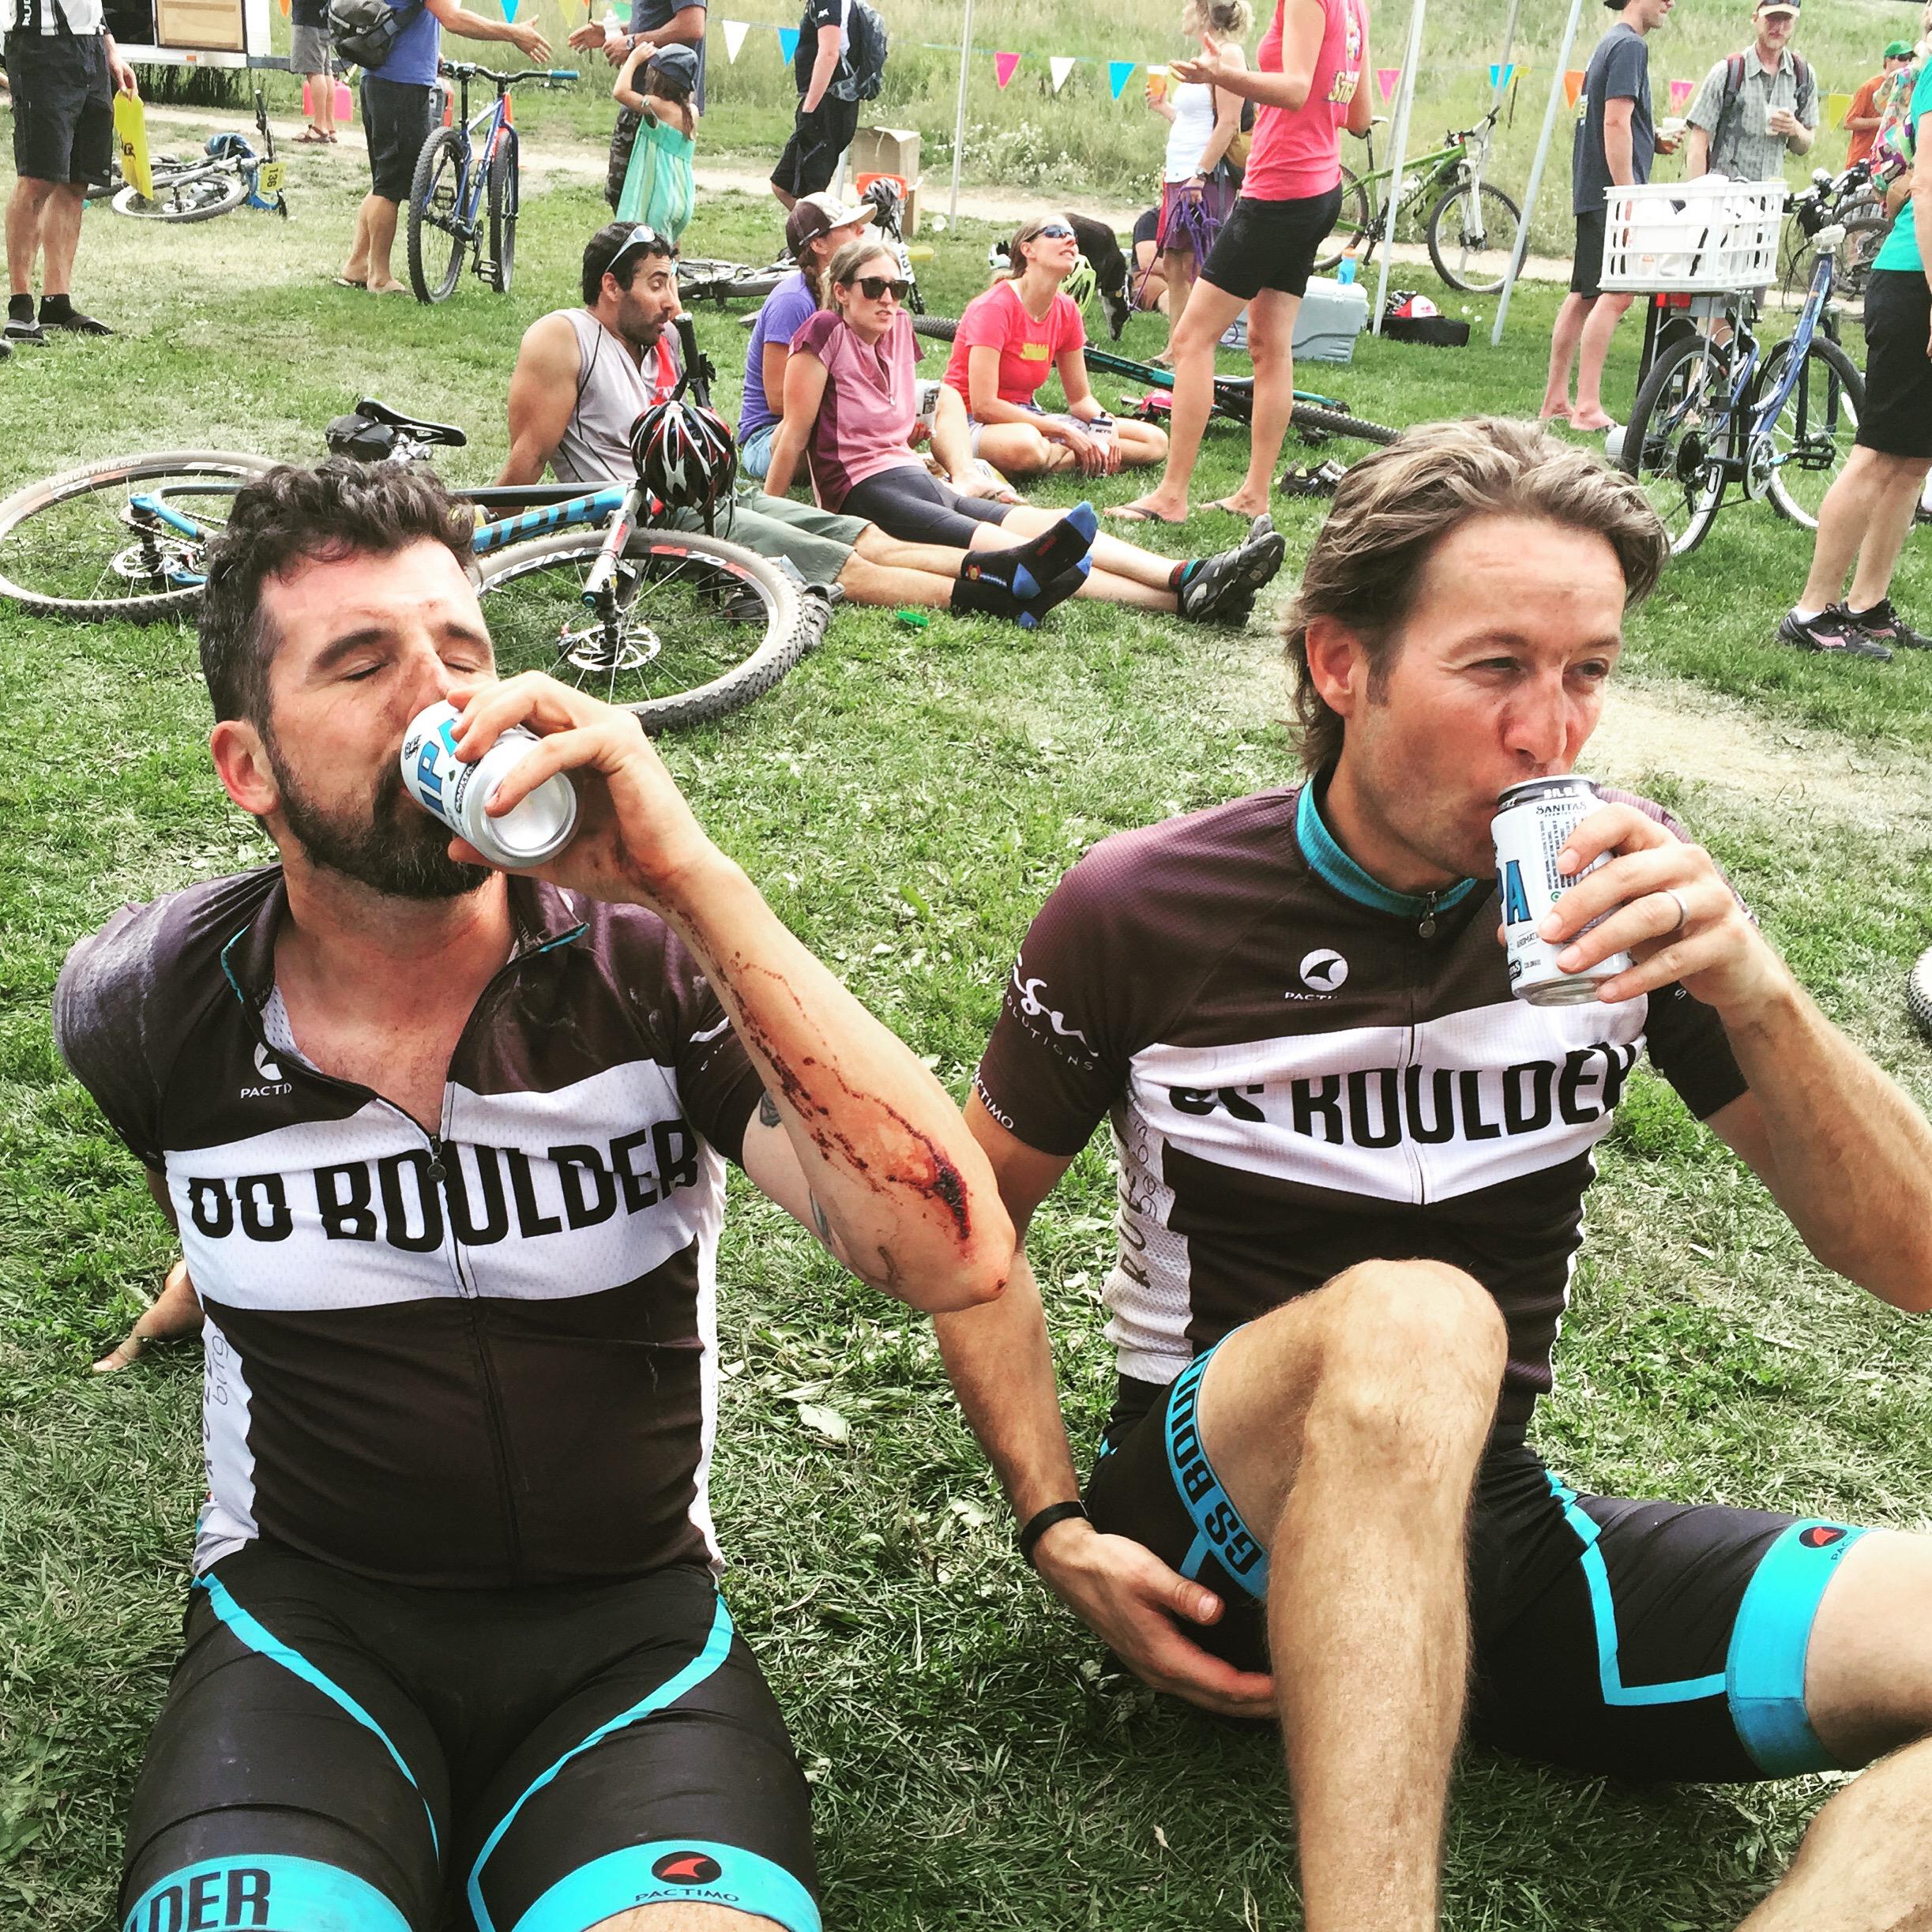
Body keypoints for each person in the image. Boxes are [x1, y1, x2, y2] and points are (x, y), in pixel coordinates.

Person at [933, 415, 1932, 1932]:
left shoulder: (1625, 898)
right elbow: (961, 1233)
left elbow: (1916, 1260)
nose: (1553, 735)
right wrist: (1053, 1519)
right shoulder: (1143, 907)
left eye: (1588, 671)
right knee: (1420, 1312)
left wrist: (1755, 989)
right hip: (1218, 1516)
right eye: (1497, 669)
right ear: (1342, 666)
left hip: (1486, 1527)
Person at [55, 456, 1012, 1932]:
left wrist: (687, 878)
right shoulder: (148, 1009)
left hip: (628, 1639)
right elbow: (241, 1201)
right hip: (302, 1624)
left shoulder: (648, 969)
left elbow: (947, 1252)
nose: (433, 698)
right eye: (362, 662)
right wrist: (199, 1292)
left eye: (463, 651)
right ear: (248, 767)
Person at [499, 224, 1105, 630]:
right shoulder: (564, 337)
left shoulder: (657, 345)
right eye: (657, 284)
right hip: (639, 517)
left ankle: (1012, 565)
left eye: (672, 282)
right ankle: (991, 593)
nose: (673, 301)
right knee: (835, 561)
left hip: (707, 499)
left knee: (859, 533)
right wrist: (487, 547)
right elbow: (526, 463)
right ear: (610, 286)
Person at [766, 235, 1289, 625]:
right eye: (874, 287)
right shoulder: (823, 332)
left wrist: (942, 466)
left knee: (1046, 523)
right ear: (841, 290)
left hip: (912, 478)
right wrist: (770, 513)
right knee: (1022, 550)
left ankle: (1185, 578)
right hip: (863, 492)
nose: (888, 298)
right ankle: (1186, 590)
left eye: (897, 287)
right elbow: (793, 434)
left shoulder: (899, 331)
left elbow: (904, 424)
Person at [1105, 0, 1370, 528]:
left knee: (1190, 340)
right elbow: (1359, 116)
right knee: (1269, 345)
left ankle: (1172, 496)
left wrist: (1226, 75)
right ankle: (1254, 493)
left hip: (1280, 189)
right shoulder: (1354, 6)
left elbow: (1295, 89)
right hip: (1321, 188)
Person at [1778, 9, 1932, 660]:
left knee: (1913, 459)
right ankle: (1812, 611)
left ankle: (1866, 604)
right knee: (1876, 454)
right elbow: (1926, 189)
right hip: (1914, 281)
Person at [337, 0, 550, 295]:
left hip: (381, 78)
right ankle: (380, 277)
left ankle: (358, 265)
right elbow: (453, 18)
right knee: (391, 186)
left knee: (384, 180)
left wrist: (428, 52)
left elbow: (406, 14)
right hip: (401, 84)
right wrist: (512, 32)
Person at [942, 214, 1169, 480]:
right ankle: (1073, 457)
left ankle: (1064, 459)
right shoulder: (994, 308)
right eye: (1055, 233)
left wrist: (1105, 422)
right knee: (1027, 446)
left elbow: (1081, 400)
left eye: (1072, 235)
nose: (1070, 240)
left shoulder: (1066, 309)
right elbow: (984, 406)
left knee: (1154, 441)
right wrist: (1063, 431)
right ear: (1028, 250)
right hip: (967, 422)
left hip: (1027, 417)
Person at [1539, 0, 1676, 434]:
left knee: (1583, 294)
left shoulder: (1608, 43)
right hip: (1611, 194)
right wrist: (1628, 196)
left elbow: (1613, 119)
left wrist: (1649, 141)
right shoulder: (1631, 47)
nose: (1671, 3)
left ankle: (1555, 400)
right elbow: (1615, 122)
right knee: (1615, 294)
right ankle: (1587, 407)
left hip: (1592, 189)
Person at [3, 0, 137, 344]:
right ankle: (20, 310)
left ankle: (57, 303)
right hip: (39, 43)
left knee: (77, 180)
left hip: (90, 45)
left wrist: (109, 49)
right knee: (38, 177)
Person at [739, 190, 874, 483]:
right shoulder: (793, 302)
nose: (861, 231)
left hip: (821, 424)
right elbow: (777, 400)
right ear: (818, 244)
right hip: (769, 439)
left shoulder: (849, 294)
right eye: (850, 227)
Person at [1144, 1, 1251, 348]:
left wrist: (1200, 174)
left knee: (1195, 266)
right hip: (1182, 173)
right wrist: (1165, 109)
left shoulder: (1229, 56)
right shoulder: (1204, 57)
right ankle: (1175, 347)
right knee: (1175, 264)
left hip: (1204, 177)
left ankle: (1191, 348)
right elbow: (1197, 123)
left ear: (1205, 12)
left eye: (1189, 6)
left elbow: (1229, 123)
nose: (1182, 12)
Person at [570, 0, 706, 212]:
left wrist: (632, 42)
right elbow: (659, 19)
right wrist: (618, 32)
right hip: (645, 93)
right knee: (638, 194)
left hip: (660, 98)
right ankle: (652, 244)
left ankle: (645, 245)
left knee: (637, 194)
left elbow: (692, 26)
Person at [1684, 0, 1817, 184]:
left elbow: (1805, 145)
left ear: (1794, 22)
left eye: (1786, 19)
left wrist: (1795, 129)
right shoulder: (1728, 72)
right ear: (1756, 18)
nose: (1778, 27)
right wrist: (1698, 200)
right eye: (1772, 18)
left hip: (1770, 199)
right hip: (1725, 197)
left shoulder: (1803, 74)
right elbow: (1699, 141)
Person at [772, 0, 855, 212]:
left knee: (812, 196)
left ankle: (836, 239)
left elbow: (829, 53)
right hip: (826, 104)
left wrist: (809, 109)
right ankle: (818, 238)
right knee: (783, 185)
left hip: (826, 107)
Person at [611, 40, 697, 238]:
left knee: (645, 252)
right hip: (682, 194)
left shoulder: (659, 107)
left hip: (659, 196)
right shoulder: (691, 112)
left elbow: (620, 92)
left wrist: (633, 60)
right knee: (668, 254)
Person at [1844, 39, 1912, 172]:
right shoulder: (1870, 87)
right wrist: (1882, 121)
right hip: (1863, 159)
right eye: (1902, 58)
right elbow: (1849, 122)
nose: (1907, 63)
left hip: (1889, 162)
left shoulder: (1907, 88)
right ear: (1888, 61)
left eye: (1910, 58)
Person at [291, 0, 339, 145]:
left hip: (308, 18)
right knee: (326, 72)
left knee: (314, 72)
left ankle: (319, 127)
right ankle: (329, 126)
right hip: (325, 19)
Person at [1130, 205, 1171, 314]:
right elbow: (1148, 261)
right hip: (1151, 275)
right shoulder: (1151, 220)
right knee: (1165, 292)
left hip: (1193, 274)